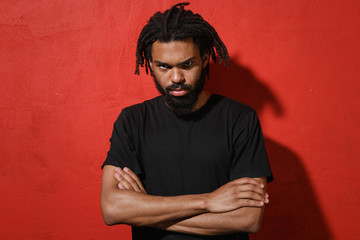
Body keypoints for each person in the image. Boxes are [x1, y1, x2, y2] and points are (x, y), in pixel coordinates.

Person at [100, 2, 273, 240]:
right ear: (150, 64)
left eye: (186, 64)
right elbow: (112, 210)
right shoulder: (132, 120)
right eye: (163, 66)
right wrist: (209, 201)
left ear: (203, 59)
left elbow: (248, 219)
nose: (176, 77)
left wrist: (146, 212)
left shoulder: (240, 119)